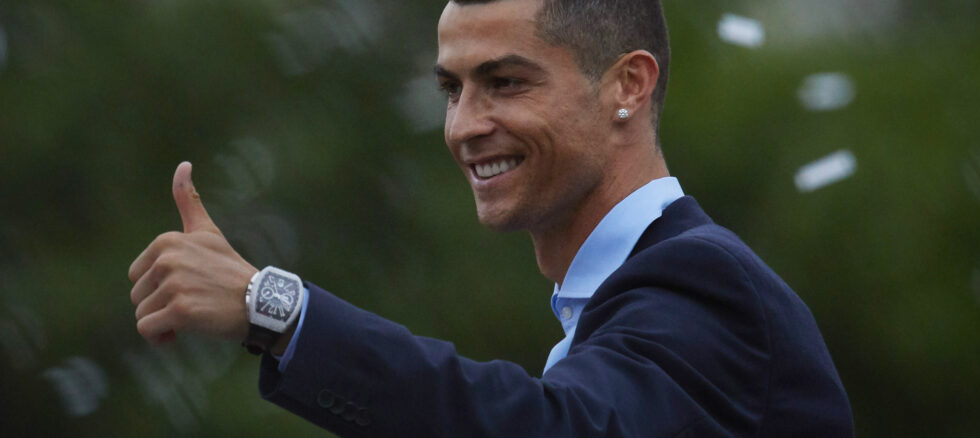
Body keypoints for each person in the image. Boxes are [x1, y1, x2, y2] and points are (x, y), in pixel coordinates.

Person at [129, 0, 854, 435]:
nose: (464, 126)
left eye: (506, 82)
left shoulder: (705, 282)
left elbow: (548, 430)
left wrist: (277, 312)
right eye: (452, 89)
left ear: (627, 85)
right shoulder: (626, 309)